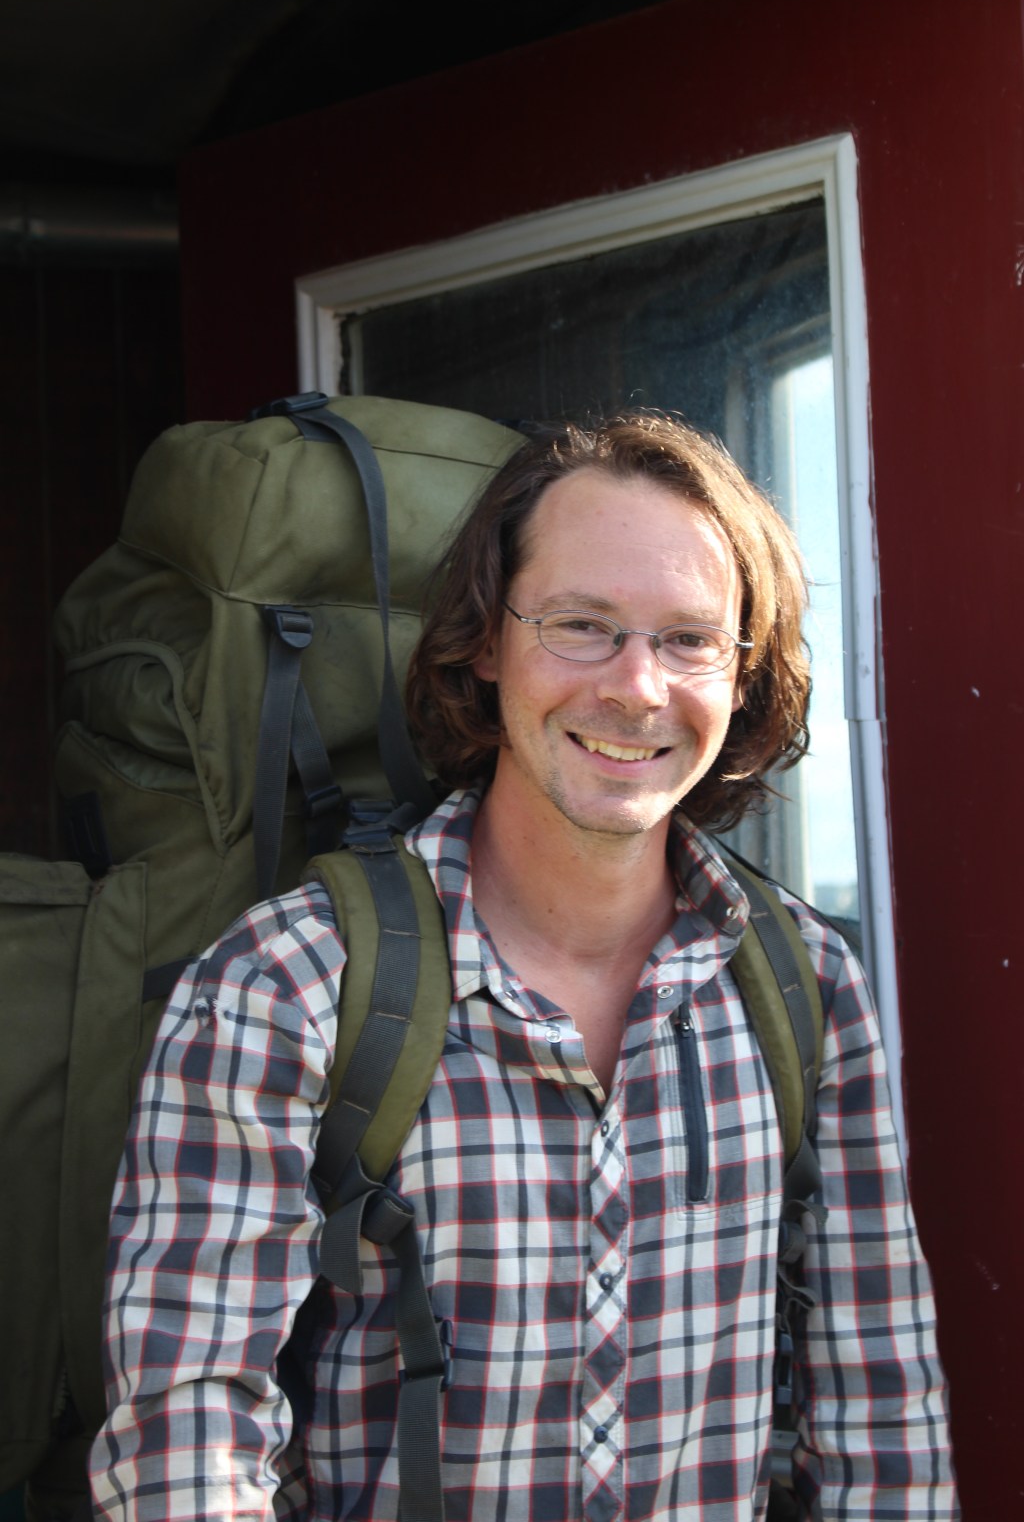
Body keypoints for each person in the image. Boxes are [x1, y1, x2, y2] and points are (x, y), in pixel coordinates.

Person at [89, 412, 959, 1521]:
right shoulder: (284, 987)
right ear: (484, 644)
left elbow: (882, 1413)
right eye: (581, 624)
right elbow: (183, 1446)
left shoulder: (807, 989)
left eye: (690, 639)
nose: (637, 687)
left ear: (742, 677)